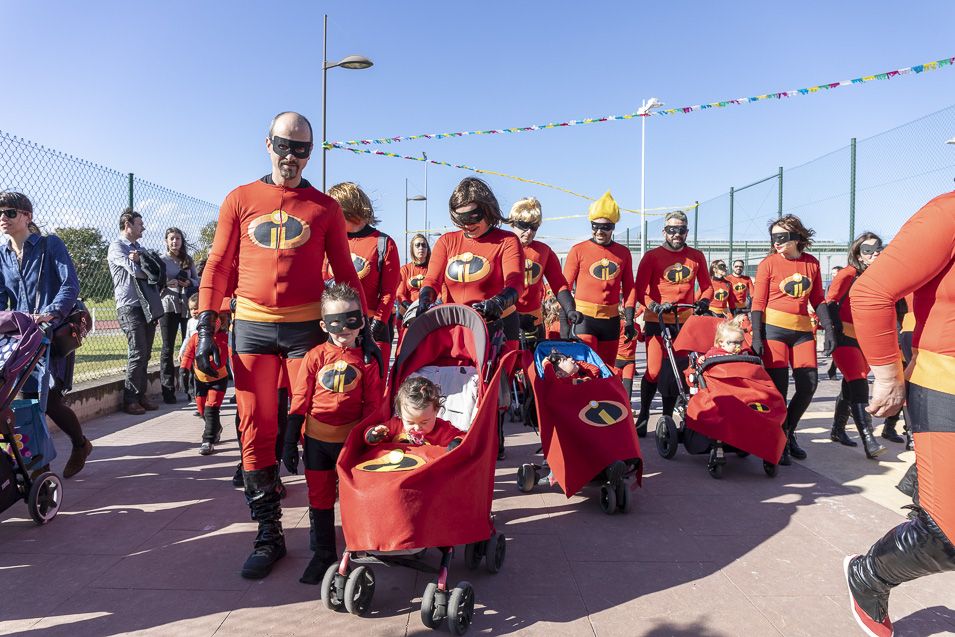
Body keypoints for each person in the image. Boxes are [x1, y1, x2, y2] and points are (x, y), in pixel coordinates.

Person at [196, 111, 379, 580]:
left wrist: (365, 331)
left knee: (321, 422)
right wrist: (205, 325)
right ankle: (268, 534)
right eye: (283, 145)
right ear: (268, 144)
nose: (290, 156)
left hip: (305, 330)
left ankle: (325, 539)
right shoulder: (239, 198)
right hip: (252, 328)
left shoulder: (325, 208)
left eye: (301, 148)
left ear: (310, 153)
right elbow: (218, 264)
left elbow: (344, 271)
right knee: (255, 427)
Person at [845, 191, 955, 637]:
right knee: (949, 535)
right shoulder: (948, 212)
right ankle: (869, 575)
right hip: (945, 383)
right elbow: (870, 292)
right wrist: (888, 374)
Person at [282, 283, 383, 585]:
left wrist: (367, 439)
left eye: (351, 320)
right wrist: (290, 440)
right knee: (320, 496)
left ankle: (360, 544)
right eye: (336, 322)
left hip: (351, 442)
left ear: (361, 322)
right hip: (317, 442)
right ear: (324, 325)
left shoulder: (367, 359)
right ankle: (324, 553)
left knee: (356, 495)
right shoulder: (315, 356)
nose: (344, 329)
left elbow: (373, 405)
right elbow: (300, 399)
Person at [0, 191, 92, 479]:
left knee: (48, 400)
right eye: (0, 213)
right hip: (21, 339)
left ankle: (76, 447)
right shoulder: (1, 255)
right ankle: (40, 472)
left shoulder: (50, 245)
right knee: (26, 401)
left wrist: (49, 313)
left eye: (10, 212)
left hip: (50, 333)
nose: (3, 218)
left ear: (27, 216)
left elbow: (70, 285)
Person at [750, 214, 836, 466]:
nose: (776, 242)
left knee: (809, 385)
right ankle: (779, 438)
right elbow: (758, 302)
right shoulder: (768, 263)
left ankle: (788, 431)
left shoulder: (812, 263)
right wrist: (757, 336)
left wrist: (830, 329)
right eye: (773, 237)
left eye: (782, 236)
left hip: (802, 332)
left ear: (797, 237)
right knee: (779, 390)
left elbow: (817, 298)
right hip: (773, 331)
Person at [419, 177, 523, 349]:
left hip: (498, 328)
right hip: (455, 328)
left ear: (487, 210)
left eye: (473, 218)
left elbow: (516, 283)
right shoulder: (446, 241)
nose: (467, 225)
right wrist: (425, 299)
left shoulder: (507, 241)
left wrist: (499, 302)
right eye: (461, 220)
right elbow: (432, 280)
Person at [633, 210, 711, 437]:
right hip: (657, 321)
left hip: (684, 323)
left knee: (677, 370)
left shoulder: (696, 256)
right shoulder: (652, 256)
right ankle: (644, 414)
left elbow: (707, 286)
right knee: (655, 371)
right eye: (672, 229)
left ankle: (667, 419)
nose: (677, 234)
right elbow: (639, 291)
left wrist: (704, 301)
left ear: (687, 231)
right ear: (664, 231)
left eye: (681, 230)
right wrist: (654, 306)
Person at [825, 233, 888, 458]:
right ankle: (869, 440)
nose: (875, 253)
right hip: (845, 337)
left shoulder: (880, 276)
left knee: (850, 383)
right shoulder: (848, 273)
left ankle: (837, 429)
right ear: (859, 254)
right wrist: (833, 333)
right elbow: (830, 302)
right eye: (868, 250)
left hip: (867, 340)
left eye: (878, 248)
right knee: (859, 381)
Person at [324, 183, 400, 365]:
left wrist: (373, 330)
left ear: (347, 209)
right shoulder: (329, 242)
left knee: (372, 380)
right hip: (336, 330)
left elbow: (389, 293)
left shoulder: (383, 243)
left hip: (373, 327)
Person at [562, 192, 636, 367]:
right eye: (595, 226)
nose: (599, 231)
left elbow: (630, 288)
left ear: (613, 227)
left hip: (611, 321)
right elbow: (564, 286)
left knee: (606, 370)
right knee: (585, 369)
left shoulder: (623, 253)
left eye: (605, 227)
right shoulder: (578, 250)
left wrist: (630, 319)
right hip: (584, 319)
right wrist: (565, 321)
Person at [108, 208, 159, 415]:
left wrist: (143, 261)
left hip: (146, 305)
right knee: (137, 351)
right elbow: (136, 271)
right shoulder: (117, 247)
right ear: (127, 225)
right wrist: (141, 262)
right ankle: (130, 400)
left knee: (146, 353)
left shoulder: (140, 248)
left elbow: (155, 272)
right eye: (139, 224)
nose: (143, 228)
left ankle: (140, 395)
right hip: (128, 306)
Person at [507, 197, 580, 342]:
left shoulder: (543, 251)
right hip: (506, 322)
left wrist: (570, 309)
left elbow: (559, 284)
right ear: (513, 223)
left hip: (534, 323)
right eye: (524, 225)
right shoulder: (501, 247)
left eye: (534, 227)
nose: (529, 232)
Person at [180, 301, 231, 455]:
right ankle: (216, 428)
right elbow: (188, 355)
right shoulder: (195, 338)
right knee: (202, 409)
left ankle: (207, 440)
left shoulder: (225, 338)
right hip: (199, 379)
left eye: (214, 321)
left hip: (218, 379)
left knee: (211, 408)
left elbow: (228, 356)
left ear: (220, 321)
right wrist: (183, 370)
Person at [159, 227, 198, 404]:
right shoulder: (162, 260)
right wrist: (168, 283)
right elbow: (155, 282)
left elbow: (198, 280)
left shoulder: (188, 260)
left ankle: (192, 389)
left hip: (187, 306)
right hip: (168, 306)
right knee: (168, 348)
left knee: (191, 345)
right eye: (171, 238)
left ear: (182, 241)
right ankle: (168, 391)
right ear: (166, 241)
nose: (175, 241)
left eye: (178, 238)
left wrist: (189, 282)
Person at [365, 376, 460, 448]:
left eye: (424, 422)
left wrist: (456, 443)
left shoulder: (442, 430)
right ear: (401, 415)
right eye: (410, 422)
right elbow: (370, 431)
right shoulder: (395, 425)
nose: (417, 428)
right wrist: (373, 435)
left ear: (436, 411)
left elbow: (463, 437)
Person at [396, 233, 430, 323]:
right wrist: (409, 307)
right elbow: (400, 293)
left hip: (429, 312)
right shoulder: (405, 269)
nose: (421, 248)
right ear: (412, 249)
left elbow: (440, 292)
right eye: (417, 245)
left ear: (427, 249)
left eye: (424, 245)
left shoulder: (433, 269)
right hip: (408, 313)